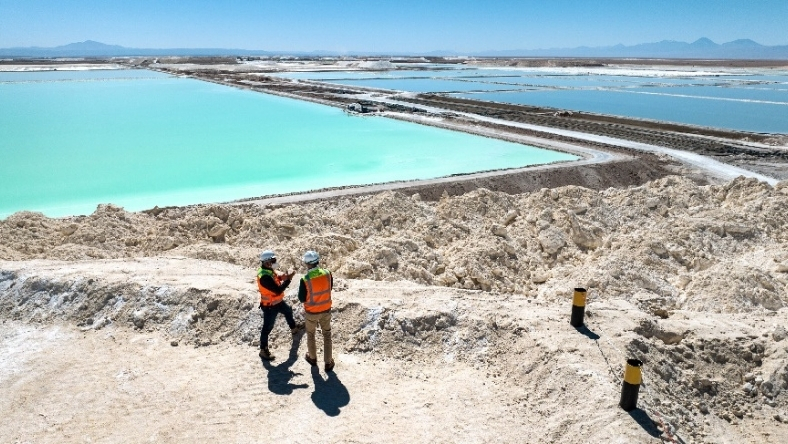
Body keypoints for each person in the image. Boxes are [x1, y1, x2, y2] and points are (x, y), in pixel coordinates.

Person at [257, 249, 300, 361]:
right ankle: (263, 350)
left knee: (288, 311)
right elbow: (278, 290)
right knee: (267, 328)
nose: (275, 262)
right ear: (267, 262)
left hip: (277, 302)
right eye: (273, 260)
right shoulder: (264, 277)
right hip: (270, 306)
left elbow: (278, 277)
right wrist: (289, 279)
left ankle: (294, 328)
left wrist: (285, 275)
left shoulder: (269, 270)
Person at [298, 250, 335, 372]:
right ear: (317, 261)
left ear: (307, 264)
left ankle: (312, 358)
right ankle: (328, 362)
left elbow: (301, 298)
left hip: (311, 312)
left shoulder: (305, 279)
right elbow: (330, 288)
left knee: (311, 334)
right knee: (327, 335)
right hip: (326, 309)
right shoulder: (327, 273)